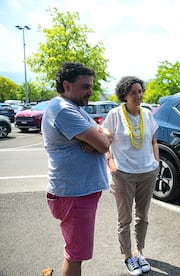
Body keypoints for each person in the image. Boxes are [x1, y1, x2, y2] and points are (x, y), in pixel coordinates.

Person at [42, 62, 112, 276]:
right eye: (85, 86)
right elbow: (105, 144)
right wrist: (100, 139)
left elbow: (105, 133)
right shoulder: (64, 110)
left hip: (78, 191)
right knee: (75, 256)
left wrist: (101, 136)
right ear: (67, 85)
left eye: (90, 86)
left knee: (75, 252)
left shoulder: (73, 108)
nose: (90, 91)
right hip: (74, 194)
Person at [103, 76, 159, 276]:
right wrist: (110, 162)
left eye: (140, 91)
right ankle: (128, 257)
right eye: (133, 92)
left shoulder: (147, 114)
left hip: (147, 172)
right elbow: (106, 139)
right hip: (123, 174)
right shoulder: (115, 114)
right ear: (124, 95)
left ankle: (139, 252)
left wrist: (156, 163)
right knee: (124, 219)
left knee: (142, 216)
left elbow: (153, 141)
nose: (138, 95)